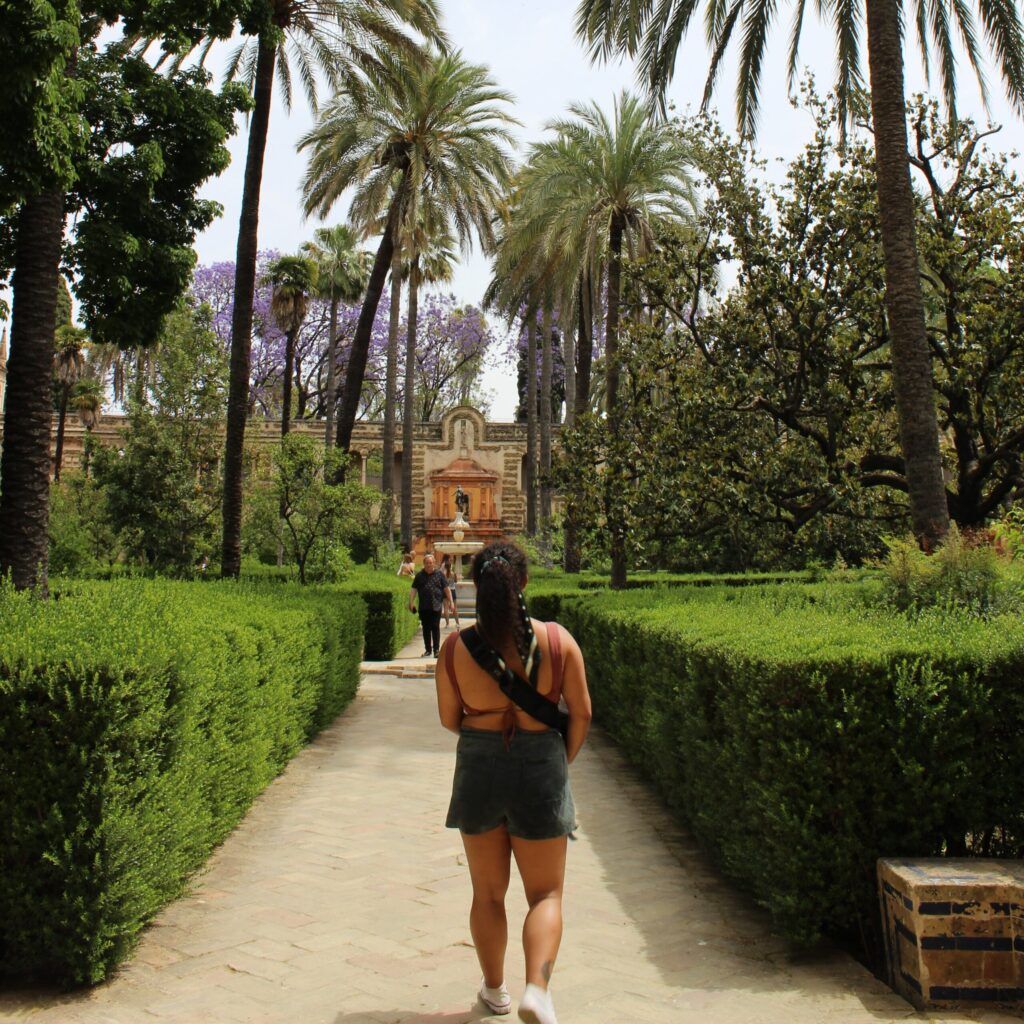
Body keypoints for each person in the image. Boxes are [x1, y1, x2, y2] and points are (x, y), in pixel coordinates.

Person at [435, 540, 592, 1024]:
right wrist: (559, 759)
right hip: (541, 762)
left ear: (477, 585)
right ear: (523, 582)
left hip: (479, 766)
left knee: (487, 894)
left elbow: (449, 719)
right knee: (545, 894)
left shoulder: (455, 648)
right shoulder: (558, 641)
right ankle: (537, 991)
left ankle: (494, 990)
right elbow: (582, 713)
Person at [409, 552, 451, 657]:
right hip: (424, 606)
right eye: (427, 563)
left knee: (435, 627)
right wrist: (411, 602)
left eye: (431, 563)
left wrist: (451, 602)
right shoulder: (419, 575)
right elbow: (413, 590)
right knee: (426, 629)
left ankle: (436, 650)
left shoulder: (440, 574)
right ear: (424, 563)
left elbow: (446, 588)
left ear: (434, 563)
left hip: (436, 605)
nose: (429, 565)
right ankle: (428, 650)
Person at [442, 557, 460, 628]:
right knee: (455, 608)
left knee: (446, 608)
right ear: (450, 566)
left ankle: (447, 624)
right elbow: (456, 581)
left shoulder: (443, 574)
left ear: (445, 566)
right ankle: (457, 623)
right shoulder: (453, 573)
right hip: (452, 590)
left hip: (445, 591)